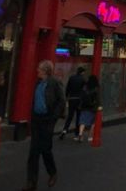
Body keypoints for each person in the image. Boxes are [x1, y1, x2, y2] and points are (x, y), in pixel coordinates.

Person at [22, 60, 65, 191]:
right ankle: (31, 183)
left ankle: (52, 172)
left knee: (46, 150)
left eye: (39, 69)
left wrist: (54, 117)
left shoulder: (54, 83)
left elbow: (61, 101)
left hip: (47, 120)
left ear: (46, 71)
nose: (37, 70)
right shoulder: (38, 83)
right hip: (37, 120)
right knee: (33, 153)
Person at [59, 66, 86, 139]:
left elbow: (68, 88)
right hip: (79, 99)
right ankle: (77, 133)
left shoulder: (71, 78)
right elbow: (84, 90)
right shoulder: (83, 79)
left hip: (71, 98)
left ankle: (64, 130)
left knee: (70, 116)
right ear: (82, 72)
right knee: (78, 116)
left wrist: (67, 97)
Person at [75, 74, 100, 143]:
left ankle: (80, 134)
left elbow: (81, 96)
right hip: (92, 108)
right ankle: (90, 136)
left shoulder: (85, 87)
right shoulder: (96, 88)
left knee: (82, 121)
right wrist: (99, 106)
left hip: (84, 107)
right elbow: (97, 99)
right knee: (92, 123)